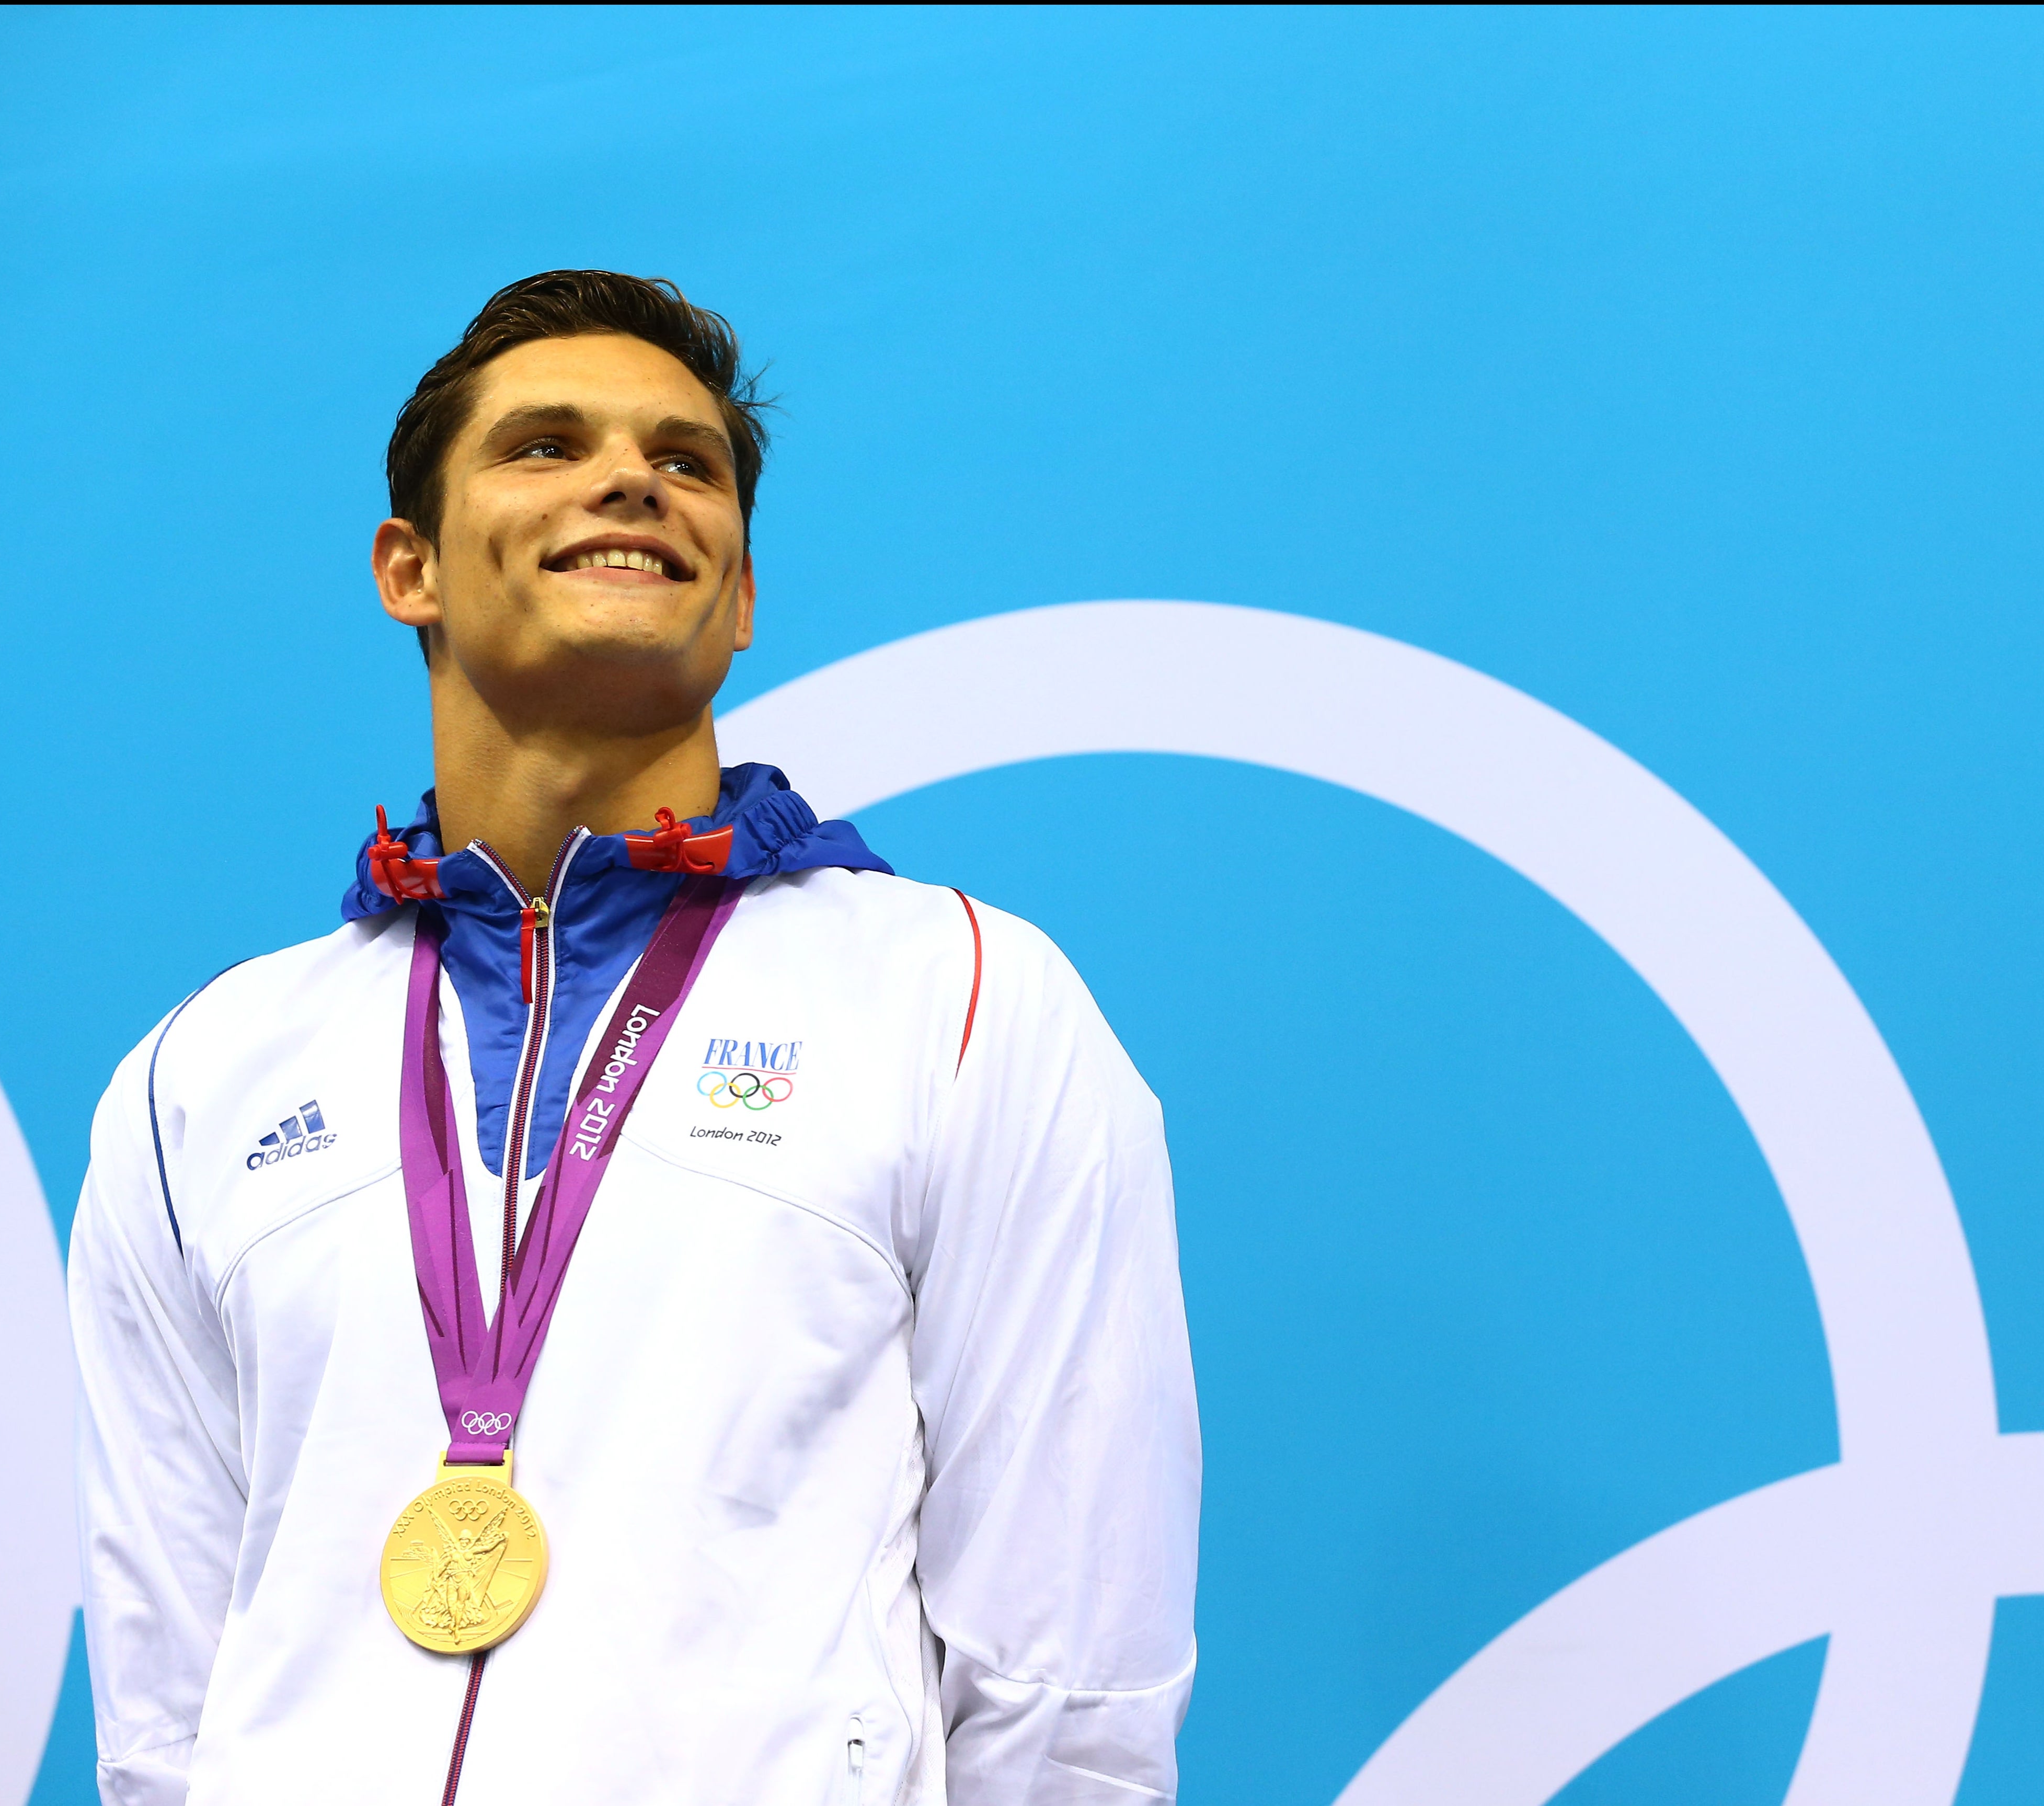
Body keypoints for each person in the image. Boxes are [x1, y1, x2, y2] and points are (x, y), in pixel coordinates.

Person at [67, 271, 1199, 1806]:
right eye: (545, 445)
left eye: (687, 462)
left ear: (735, 597)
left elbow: (1069, 1672)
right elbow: (165, 1705)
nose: (631, 481)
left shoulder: (958, 997)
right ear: (411, 568)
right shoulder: (200, 1078)